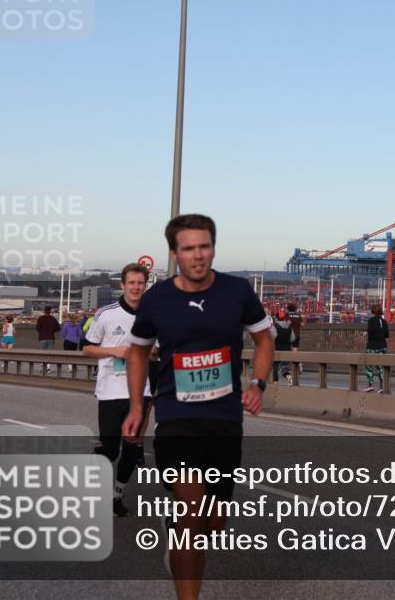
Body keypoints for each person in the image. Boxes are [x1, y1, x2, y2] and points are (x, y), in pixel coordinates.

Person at [122, 214, 274, 599]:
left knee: (213, 522)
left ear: (213, 248)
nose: (198, 255)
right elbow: (138, 352)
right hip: (176, 416)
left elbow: (265, 339)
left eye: (204, 246)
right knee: (191, 511)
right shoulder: (157, 299)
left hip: (224, 418)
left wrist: (257, 383)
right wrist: (138, 408)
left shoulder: (237, 291)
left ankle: (177, 544)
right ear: (174, 254)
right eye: (188, 248)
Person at [82, 263, 154, 517]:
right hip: (111, 389)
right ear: (122, 285)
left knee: (132, 447)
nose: (136, 287)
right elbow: (86, 348)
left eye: (140, 283)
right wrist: (112, 350)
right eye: (131, 282)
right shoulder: (107, 314)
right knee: (111, 448)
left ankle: (116, 495)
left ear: (146, 285)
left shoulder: (153, 314)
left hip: (140, 390)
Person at [365, 304, 389, 393]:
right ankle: (382, 386)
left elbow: (370, 333)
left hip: (372, 346)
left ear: (373, 312)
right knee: (381, 367)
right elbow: (386, 335)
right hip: (382, 346)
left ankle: (370, 384)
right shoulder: (384, 322)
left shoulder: (371, 321)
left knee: (369, 365)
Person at [271, 310, 296, 383]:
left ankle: (275, 385)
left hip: (276, 350)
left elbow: (273, 336)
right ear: (284, 318)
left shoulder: (275, 326)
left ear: (277, 318)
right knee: (285, 370)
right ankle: (290, 378)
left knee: (274, 369)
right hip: (286, 350)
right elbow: (293, 339)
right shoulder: (289, 328)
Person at [286, 302, 304, 373]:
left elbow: (288, 323)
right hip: (297, 335)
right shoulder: (298, 315)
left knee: (286, 350)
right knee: (295, 350)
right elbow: (302, 324)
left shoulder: (288, 315)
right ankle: (299, 364)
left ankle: (286, 368)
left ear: (288, 309)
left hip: (289, 335)